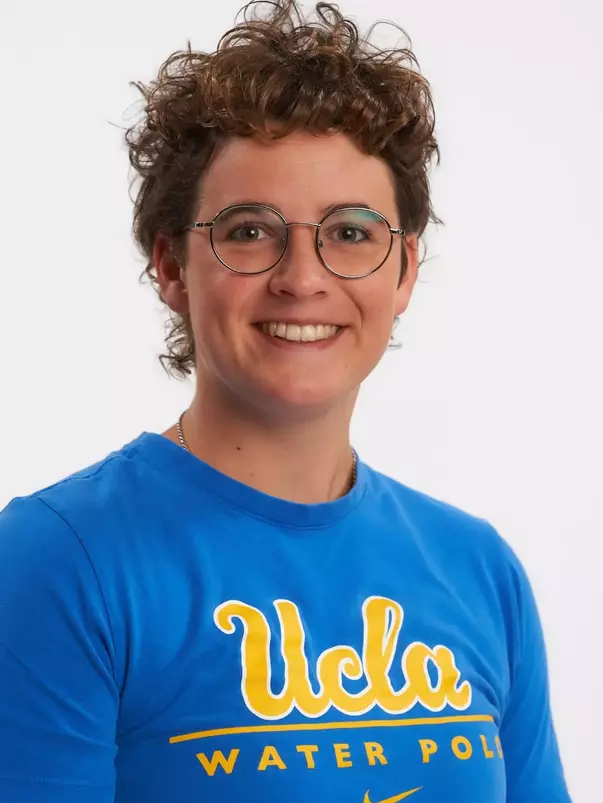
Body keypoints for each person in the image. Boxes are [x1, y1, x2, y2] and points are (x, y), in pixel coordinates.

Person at [0, 1, 572, 801]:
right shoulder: (61, 561)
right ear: (170, 265)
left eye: (349, 233)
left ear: (403, 270)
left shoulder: (478, 569)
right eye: (248, 230)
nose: (301, 278)